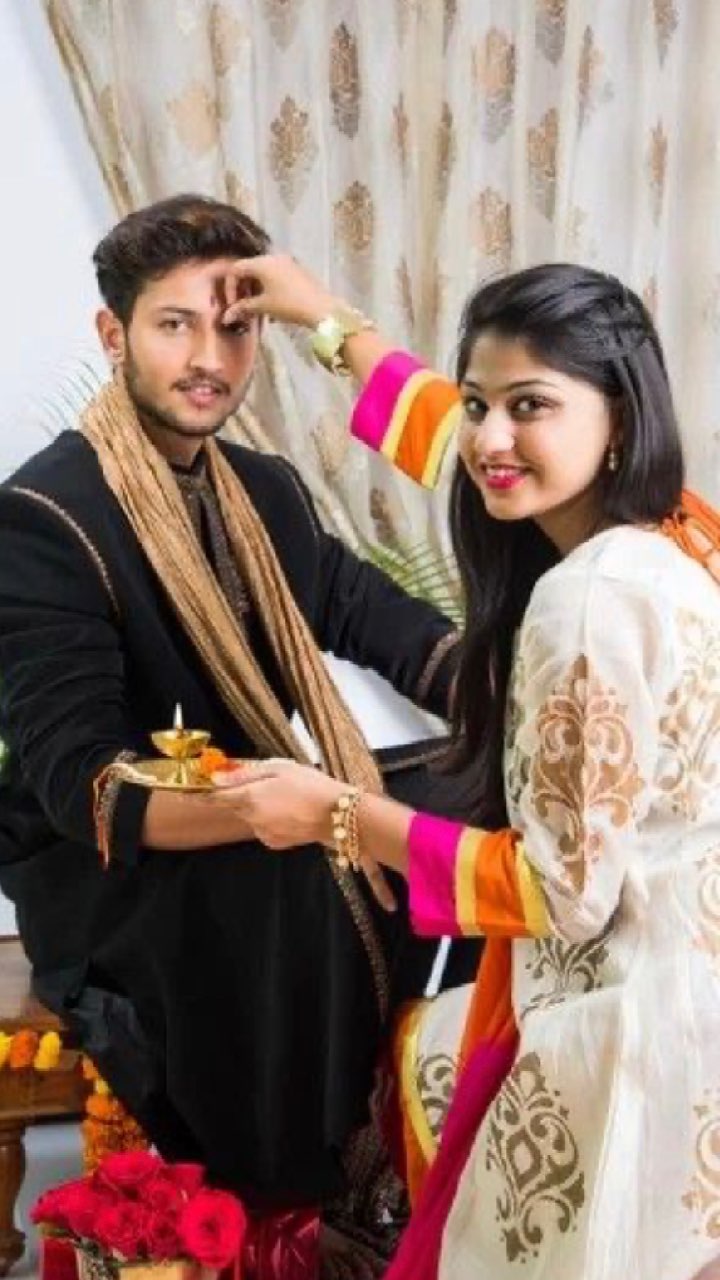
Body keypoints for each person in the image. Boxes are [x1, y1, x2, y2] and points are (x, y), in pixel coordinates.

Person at [207, 254, 720, 1280]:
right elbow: (467, 443)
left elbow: (563, 891)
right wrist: (325, 321)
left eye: (529, 404)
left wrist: (336, 812)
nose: (490, 437)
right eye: (480, 400)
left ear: (619, 418)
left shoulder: (588, 601)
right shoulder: (681, 531)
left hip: (624, 1032)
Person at [0, 196, 473, 1275]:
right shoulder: (44, 515)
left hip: (261, 811)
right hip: (108, 865)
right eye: (175, 325)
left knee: (467, 786)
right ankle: (294, 1196)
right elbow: (86, 785)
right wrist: (291, 810)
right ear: (114, 333)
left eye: (236, 327)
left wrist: (520, 701)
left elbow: (384, 623)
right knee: (310, 853)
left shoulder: (264, 492)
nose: (210, 358)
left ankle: (398, 1155)